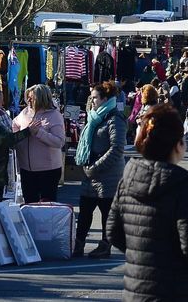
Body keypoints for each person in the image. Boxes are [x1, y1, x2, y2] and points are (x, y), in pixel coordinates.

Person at [108, 104, 188, 301]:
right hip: (177, 287)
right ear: (177, 144)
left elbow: (113, 232)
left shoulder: (128, 178)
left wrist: (141, 253)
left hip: (137, 286)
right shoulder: (183, 185)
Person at [74, 82, 127, 258]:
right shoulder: (94, 117)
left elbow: (117, 149)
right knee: (85, 211)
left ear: (105, 99)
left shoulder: (115, 118)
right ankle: (78, 244)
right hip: (90, 172)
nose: (92, 100)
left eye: (95, 97)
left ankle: (105, 245)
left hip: (108, 174)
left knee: (107, 212)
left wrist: (96, 167)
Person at [12, 84, 66, 203]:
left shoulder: (54, 115)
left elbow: (59, 142)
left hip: (48, 171)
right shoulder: (25, 112)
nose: (29, 100)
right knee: (29, 205)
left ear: (42, 98)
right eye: (28, 97)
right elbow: (14, 125)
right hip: (26, 169)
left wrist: (39, 133)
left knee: (46, 207)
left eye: (32, 98)